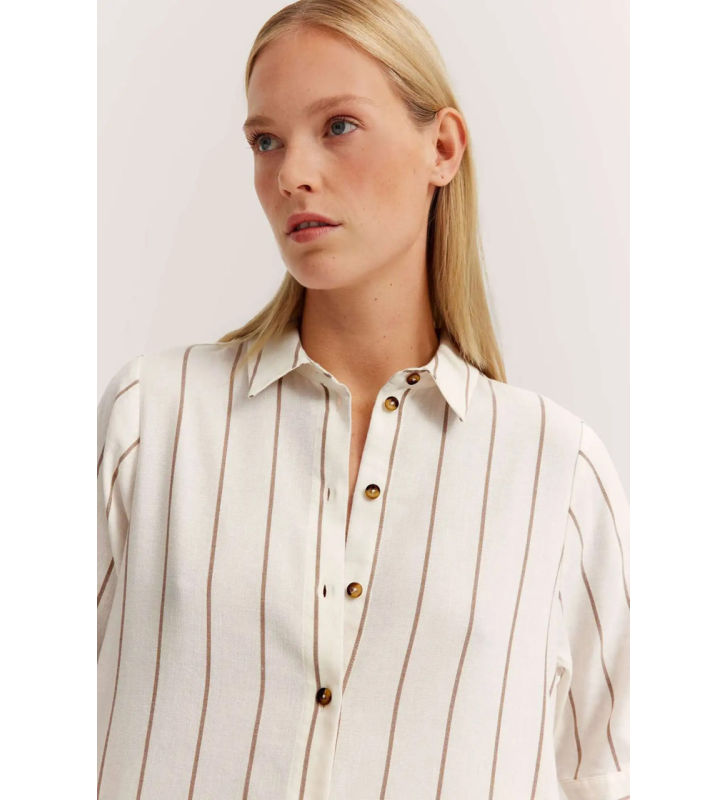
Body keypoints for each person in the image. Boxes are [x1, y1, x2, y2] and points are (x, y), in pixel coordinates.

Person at [97, 1, 629, 798]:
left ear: (441, 148)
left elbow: (609, 775)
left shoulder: (556, 472)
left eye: (337, 126)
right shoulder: (152, 421)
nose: (290, 174)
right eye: (265, 141)